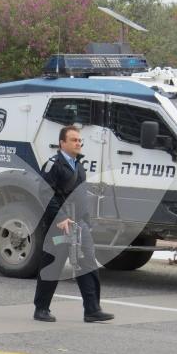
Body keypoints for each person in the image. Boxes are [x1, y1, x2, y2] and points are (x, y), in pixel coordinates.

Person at [32, 125, 114, 323]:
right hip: (59, 226)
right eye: (74, 140)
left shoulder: (79, 165)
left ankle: (92, 309)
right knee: (53, 265)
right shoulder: (53, 165)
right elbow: (45, 193)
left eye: (79, 140)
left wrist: (86, 220)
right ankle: (41, 308)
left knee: (87, 264)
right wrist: (60, 218)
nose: (78, 143)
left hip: (79, 224)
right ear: (62, 143)